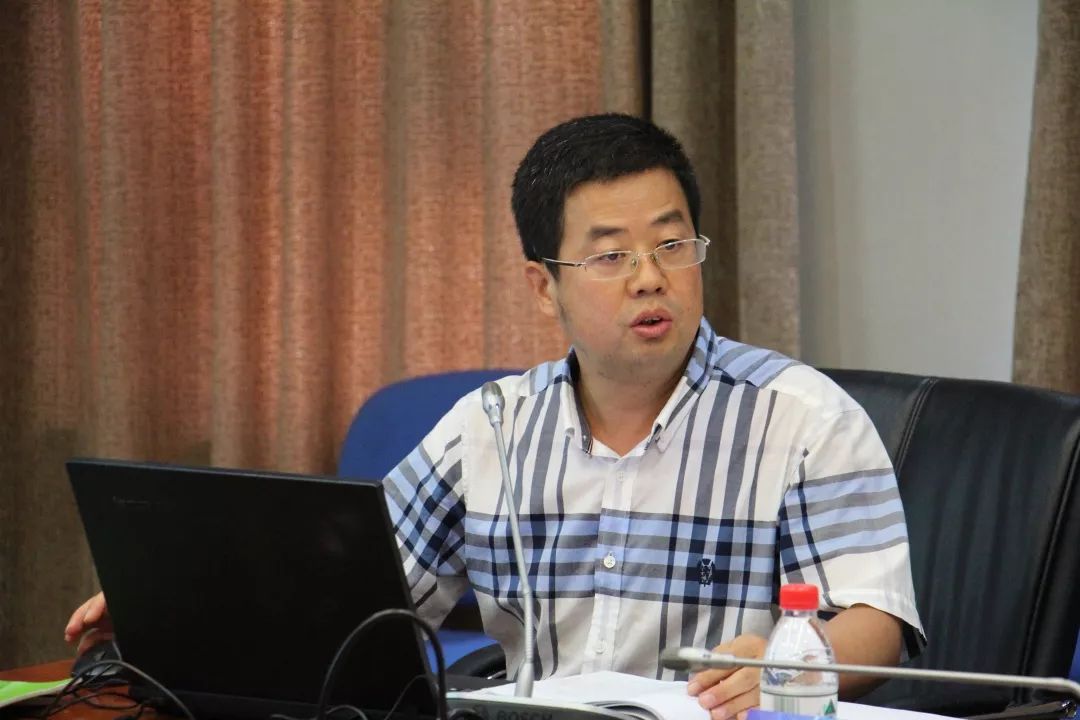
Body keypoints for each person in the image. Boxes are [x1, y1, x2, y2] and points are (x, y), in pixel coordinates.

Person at [67, 113, 924, 720]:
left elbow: (876, 623)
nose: (650, 277)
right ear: (542, 286)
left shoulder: (802, 420)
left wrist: (783, 666)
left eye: (671, 244)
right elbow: (356, 592)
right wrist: (182, 599)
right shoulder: (492, 427)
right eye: (610, 255)